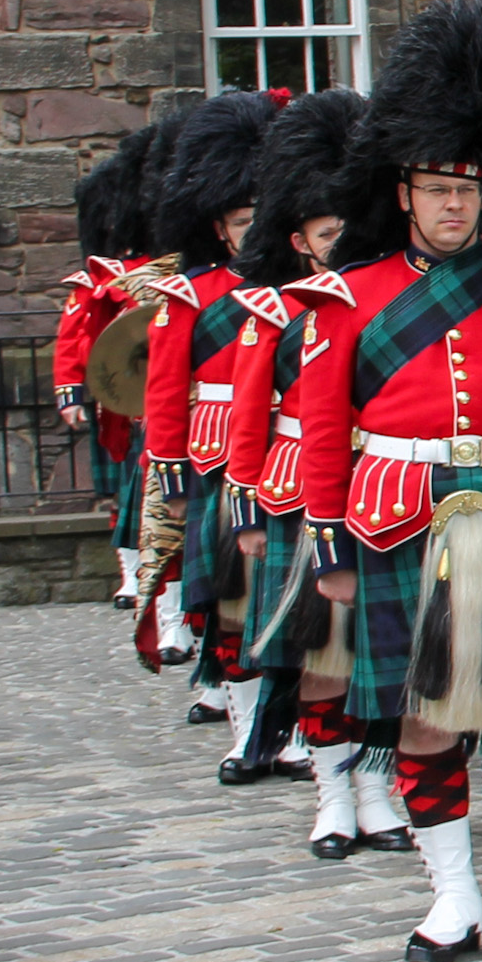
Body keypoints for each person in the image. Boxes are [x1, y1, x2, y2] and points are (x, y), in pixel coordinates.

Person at [299, 0, 482, 962]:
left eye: (469, 189)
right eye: (436, 189)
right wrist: (331, 551)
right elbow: (320, 430)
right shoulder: (350, 295)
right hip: (396, 521)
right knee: (425, 716)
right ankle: (451, 897)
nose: (454, 206)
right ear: (403, 190)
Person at [218, 87, 408, 861]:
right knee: (324, 657)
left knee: (384, 655)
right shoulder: (274, 311)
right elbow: (248, 415)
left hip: (387, 488)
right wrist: (249, 515)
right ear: (300, 239)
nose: (339, 241)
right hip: (303, 489)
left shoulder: (388, 298)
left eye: (345, 228)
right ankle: (333, 796)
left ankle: (379, 786)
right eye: (327, 232)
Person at [139, 90, 289, 784]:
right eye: (238, 220)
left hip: (283, 457)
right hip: (215, 460)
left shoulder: (298, 291)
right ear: (220, 228)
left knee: (284, 599)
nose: (248, 229)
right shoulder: (188, 296)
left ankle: (284, 731)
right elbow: (165, 396)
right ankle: (243, 730)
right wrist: (170, 483)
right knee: (229, 604)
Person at [58, 125, 157, 608]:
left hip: (158, 395)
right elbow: (76, 337)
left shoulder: (162, 273)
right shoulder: (99, 280)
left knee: (146, 491)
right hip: (120, 397)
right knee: (126, 495)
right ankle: (129, 577)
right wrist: (71, 392)